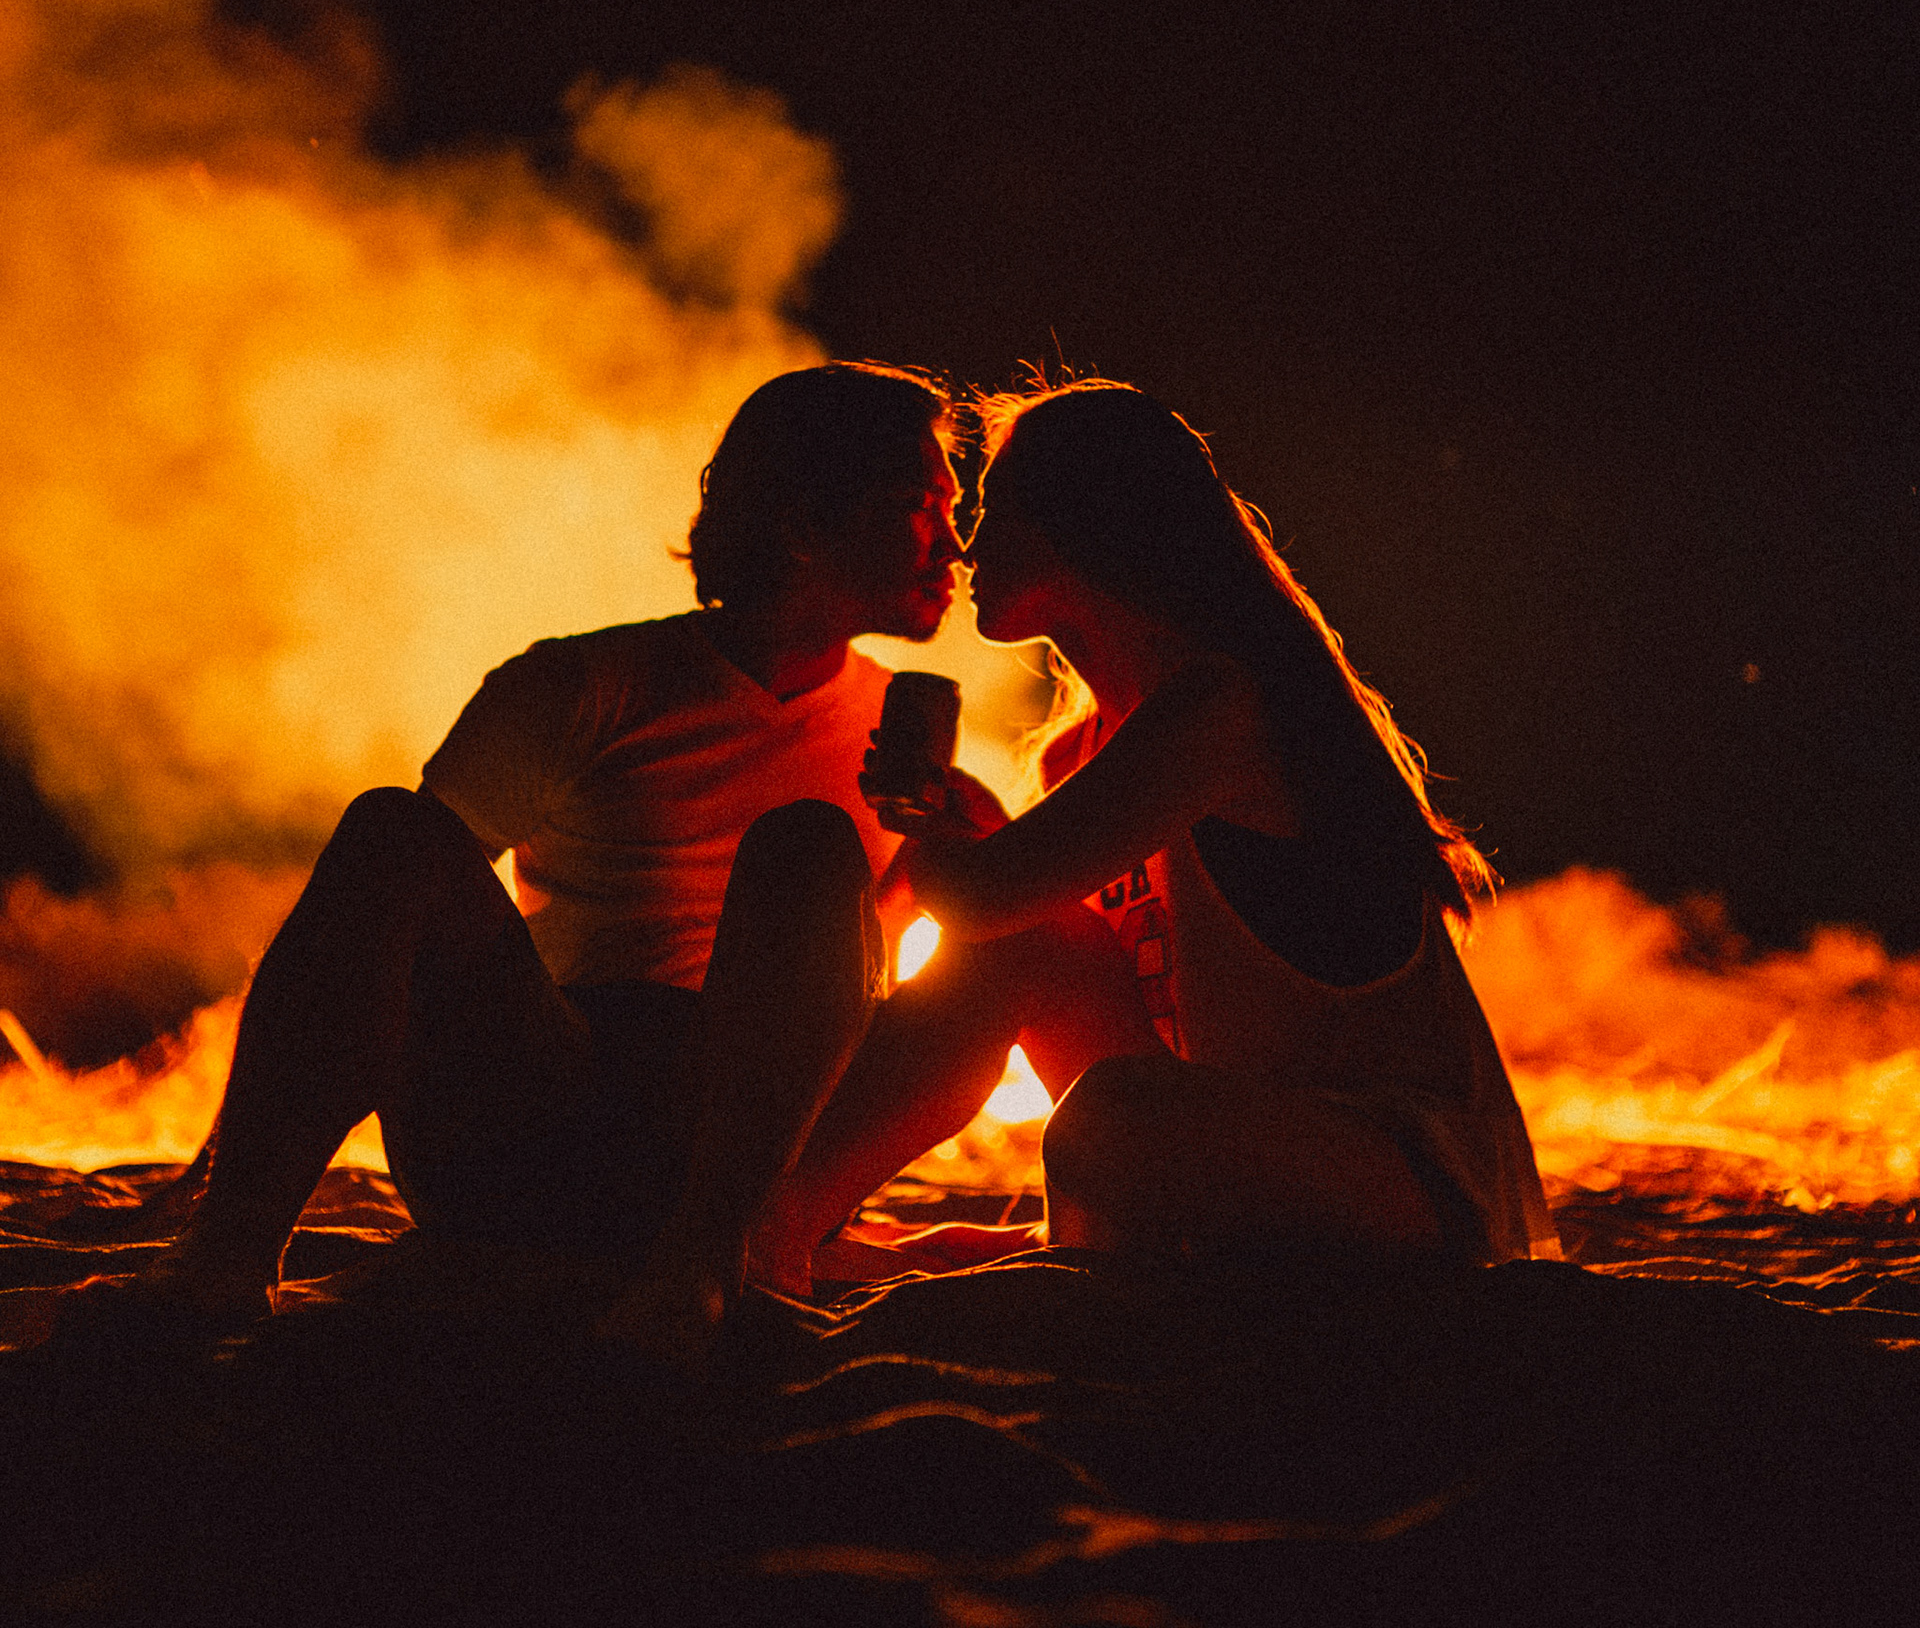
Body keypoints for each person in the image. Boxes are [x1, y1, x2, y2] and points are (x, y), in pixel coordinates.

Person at [63, 360, 967, 1359]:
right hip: (550, 1104)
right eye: (918, 506)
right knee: (395, 827)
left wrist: (961, 837)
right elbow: (381, 908)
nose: (954, 545)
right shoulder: (587, 685)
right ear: (803, 522)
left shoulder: (904, 729)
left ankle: (711, 1261)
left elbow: (954, 967)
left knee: (820, 847)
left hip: (769, 1153)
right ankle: (226, 1255)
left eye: (955, 507)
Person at [748, 378, 1559, 1288]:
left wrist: (924, 819)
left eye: (992, 509)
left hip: (1403, 1176)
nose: (969, 545)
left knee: (1111, 1111)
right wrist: (961, 828)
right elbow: (1031, 929)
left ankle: (1054, 1263)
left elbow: (975, 898)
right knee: (1029, 959)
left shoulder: (1218, 708)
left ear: (1083, 524)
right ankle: (782, 1226)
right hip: (1236, 1140)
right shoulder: (1076, 753)